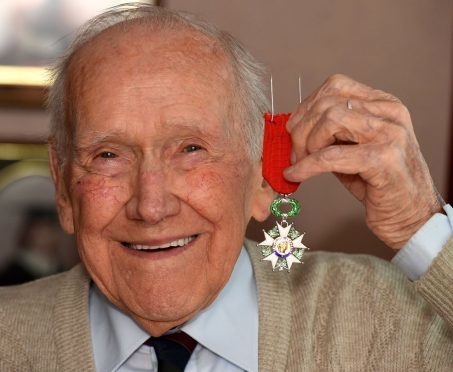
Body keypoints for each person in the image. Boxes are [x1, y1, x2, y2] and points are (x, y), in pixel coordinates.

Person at [0, 4, 452, 371]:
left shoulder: (387, 318)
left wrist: (419, 223)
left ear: (260, 176)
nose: (151, 206)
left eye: (191, 148)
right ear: (63, 189)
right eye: (108, 156)